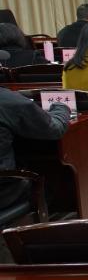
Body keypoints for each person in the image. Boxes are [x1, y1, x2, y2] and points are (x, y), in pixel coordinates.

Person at [0, 87, 69, 235]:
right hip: (4, 192)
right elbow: (55, 128)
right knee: (47, 182)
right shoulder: (7, 101)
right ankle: (42, 238)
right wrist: (61, 107)